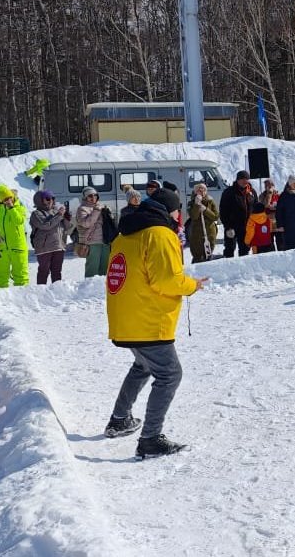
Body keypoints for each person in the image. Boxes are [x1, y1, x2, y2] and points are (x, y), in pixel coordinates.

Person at [103, 196, 207, 459]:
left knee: (143, 365)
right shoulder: (159, 234)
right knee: (170, 374)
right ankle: (150, 439)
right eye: (178, 210)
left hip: (125, 317)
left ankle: (119, 419)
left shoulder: (125, 235)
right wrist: (192, 285)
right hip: (148, 320)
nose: (179, 216)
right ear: (170, 211)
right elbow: (166, 280)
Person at [30, 190, 71, 285]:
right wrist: (59, 215)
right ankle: (40, 291)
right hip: (45, 248)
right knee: (43, 272)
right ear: (40, 200)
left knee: (57, 272)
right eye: (48, 199)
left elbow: (66, 227)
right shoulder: (36, 213)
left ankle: (57, 291)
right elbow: (45, 225)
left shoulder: (56, 211)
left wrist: (66, 218)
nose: (51, 201)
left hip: (58, 246)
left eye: (52, 198)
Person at [0, 184, 28, 287]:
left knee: (21, 276)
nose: (8, 200)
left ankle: (23, 296)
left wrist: (11, 208)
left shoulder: (20, 208)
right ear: (0, 200)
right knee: (0, 277)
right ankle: (0, 296)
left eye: (9, 198)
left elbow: (19, 221)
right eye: (5, 199)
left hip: (18, 247)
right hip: (1, 248)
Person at [75, 187, 112, 277]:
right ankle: (89, 286)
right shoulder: (82, 209)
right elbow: (86, 223)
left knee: (105, 269)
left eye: (95, 195)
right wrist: (96, 210)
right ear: (85, 197)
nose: (93, 197)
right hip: (92, 242)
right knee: (92, 269)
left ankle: (102, 285)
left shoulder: (101, 206)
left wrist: (108, 213)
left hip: (105, 241)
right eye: (90, 196)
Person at [219, 171, 257, 257]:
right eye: (242, 179)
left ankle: (243, 265)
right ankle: (228, 264)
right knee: (230, 248)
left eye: (246, 179)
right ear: (238, 180)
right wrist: (228, 226)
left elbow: (256, 207)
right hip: (232, 226)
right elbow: (223, 210)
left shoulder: (252, 192)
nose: (244, 181)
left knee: (245, 249)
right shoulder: (229, 192)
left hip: (247, 226)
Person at [185, 183, 219, 263]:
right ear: (195, 192)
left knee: (208, 254)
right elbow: (194, 216)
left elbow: (215, 216)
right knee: (198, 255)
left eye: (203, 190)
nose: (201, 192)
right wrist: (197, 204)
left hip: (210, 232)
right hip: (197, 234)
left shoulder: (210, 201)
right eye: (199, 190)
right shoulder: (191, 203)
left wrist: (205, 210)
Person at [259, 179, 280, 252]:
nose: (268, 187)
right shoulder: (262, 196)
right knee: (270, 244)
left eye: (270, 185)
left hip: (277, 223)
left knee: (280, 243)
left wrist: (275, 208)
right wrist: (269, 194)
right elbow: (265, 205)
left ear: (273, 186)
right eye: (266, 185)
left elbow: (282, 207)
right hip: (267, 222)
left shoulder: (278, 195)